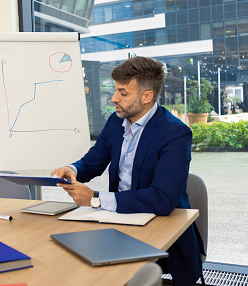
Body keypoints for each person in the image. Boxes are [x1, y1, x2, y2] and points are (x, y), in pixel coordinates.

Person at [52, 56, 203, 286]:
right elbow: (93, 162)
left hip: (163, 232)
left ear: (147, 96)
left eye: (123, 93)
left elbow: (162, 200)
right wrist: (72, 169)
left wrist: (95, 199)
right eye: (115, 91)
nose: (114, 98)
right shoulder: (116, 121)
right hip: (118, 223)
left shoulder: (175, 133)